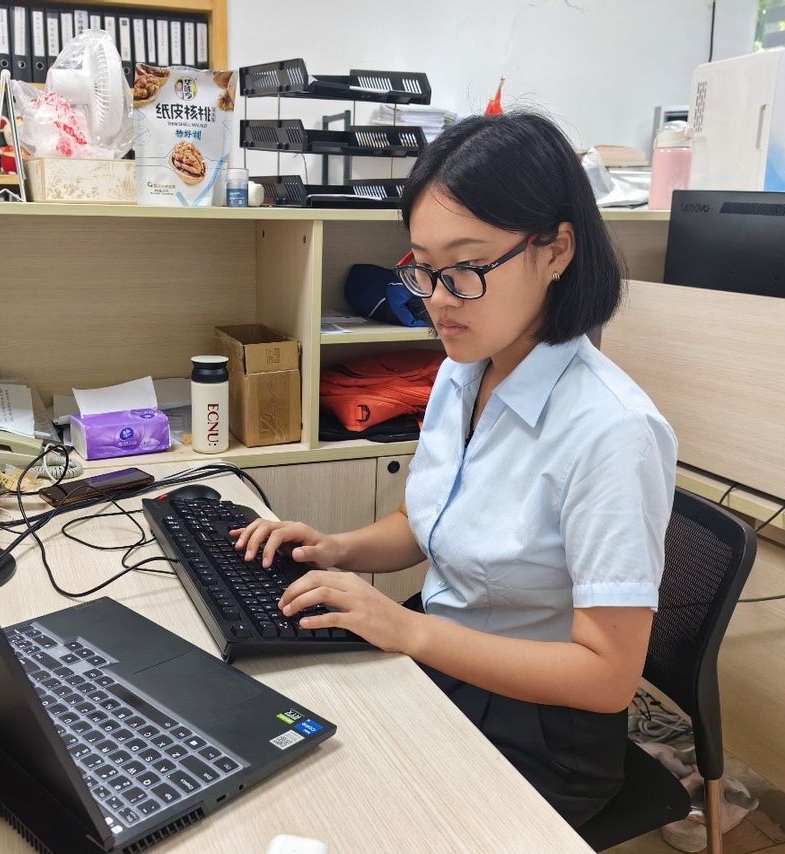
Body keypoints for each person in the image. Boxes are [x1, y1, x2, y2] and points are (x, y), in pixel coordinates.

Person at [231, 112, 677, 828]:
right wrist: (335, 548)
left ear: (557, 249)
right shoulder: (463, 372)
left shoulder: (613, 431)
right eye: (423, 269)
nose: (437, 299)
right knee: (274, 732)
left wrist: (406, 632)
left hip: (541, 727)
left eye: (466, 268)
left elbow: (606, 677)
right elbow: (423, 522)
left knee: (338, 808)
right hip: (445, 656)